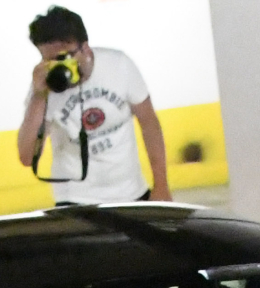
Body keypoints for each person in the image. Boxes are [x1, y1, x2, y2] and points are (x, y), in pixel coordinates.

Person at [16, 7, 173, 205]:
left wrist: (161, 185)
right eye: (48, 60)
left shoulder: (119, 66)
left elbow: (149, 123)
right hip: (74, 200)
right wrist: (39, 98)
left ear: (85, 48)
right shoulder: (44, 88)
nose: (58, 66)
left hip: (131, 192)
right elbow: (27, 157)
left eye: (63, 58)